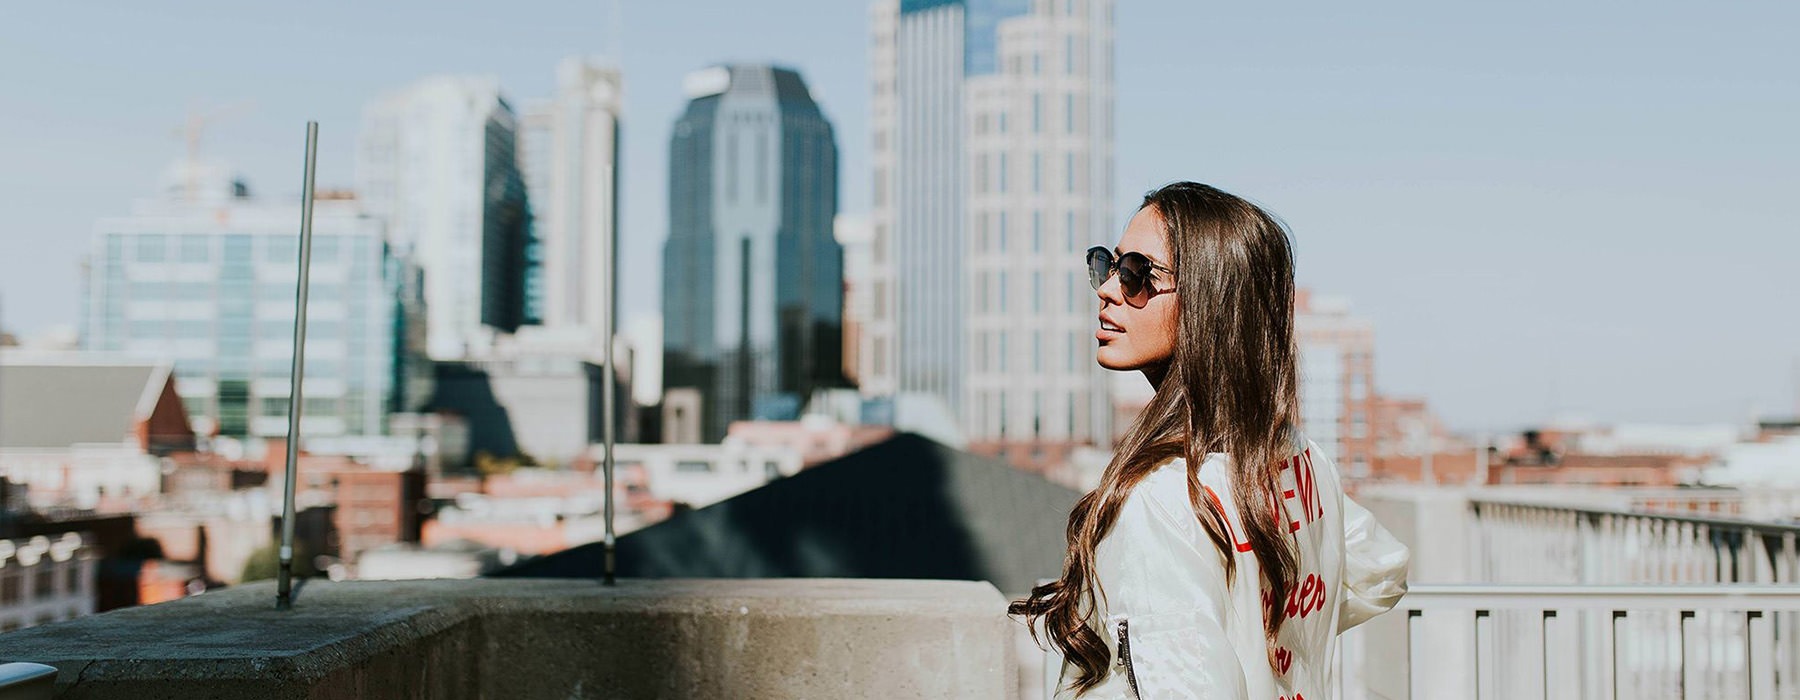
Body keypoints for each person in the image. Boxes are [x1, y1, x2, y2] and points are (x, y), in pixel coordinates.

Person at [1010, 182, 1411, 699]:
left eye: (1136, 273)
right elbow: (1380, 568)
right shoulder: (1297, 455)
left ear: (1210, 300)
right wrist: (1262, 633)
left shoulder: (1160, 499)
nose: (1108, 288)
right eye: (1108, 265)